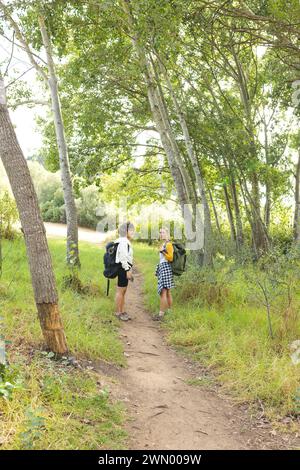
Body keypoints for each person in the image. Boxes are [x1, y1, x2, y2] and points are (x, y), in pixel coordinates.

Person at [115, 222, 135, 321]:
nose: (133, 232)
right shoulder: (123, 241)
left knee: (124, 291)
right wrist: (127, 269)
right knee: (120, 291)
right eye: (131, 230)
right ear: (126, 231)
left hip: (125, 268)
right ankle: (118, 312)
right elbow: (123, 257)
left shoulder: (125, 241)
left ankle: (122, 311)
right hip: (122, 268)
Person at [154, 227, 174, 321]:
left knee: (163, 292)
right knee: (167, 291)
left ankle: (161, 315)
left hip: (166, 268)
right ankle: (170, 312)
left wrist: (162, 251)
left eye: (163, 232)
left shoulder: (168, 244)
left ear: (167, 234)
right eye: (160, 232)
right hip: (164, 268)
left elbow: (170, 258)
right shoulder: (165, 244)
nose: (161, 234)